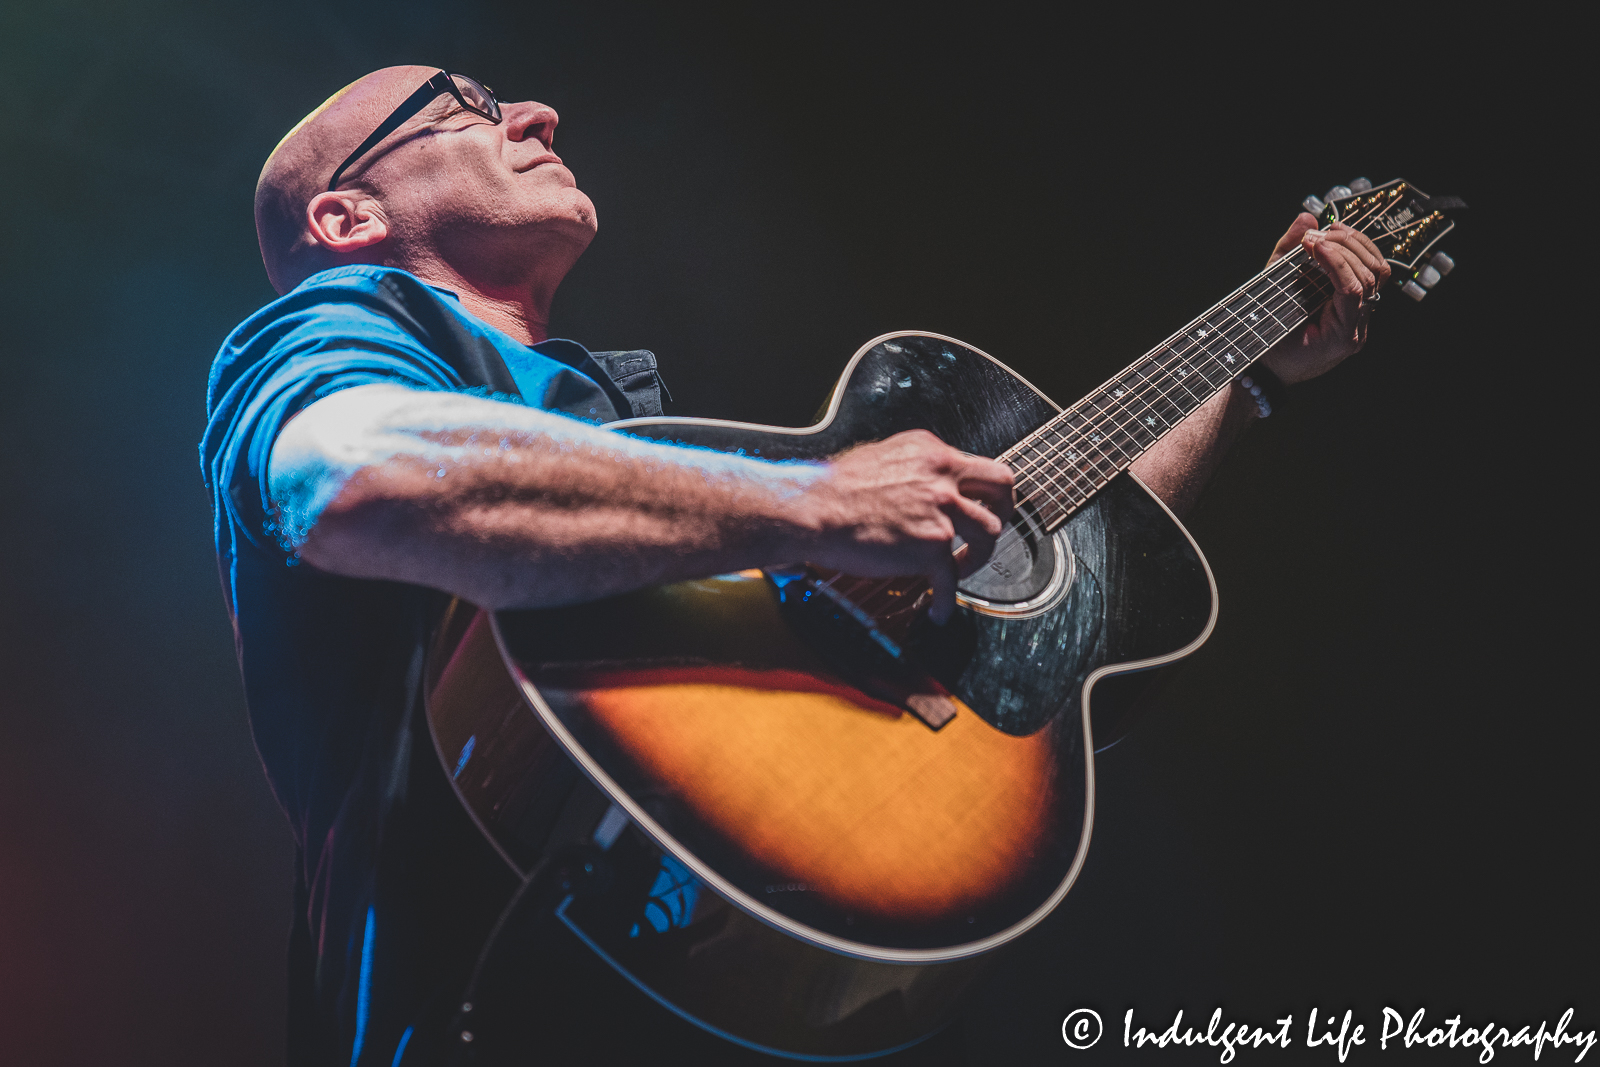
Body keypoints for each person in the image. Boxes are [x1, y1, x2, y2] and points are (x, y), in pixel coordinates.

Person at [201, 65, 1389, 1065]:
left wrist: (1243, 373)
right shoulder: (348, 328)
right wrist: (811, 501)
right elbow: (345, 470)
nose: (536, 116)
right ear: (349, 219)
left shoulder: (624, 450)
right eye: (465, 106)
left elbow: (1044, 585)